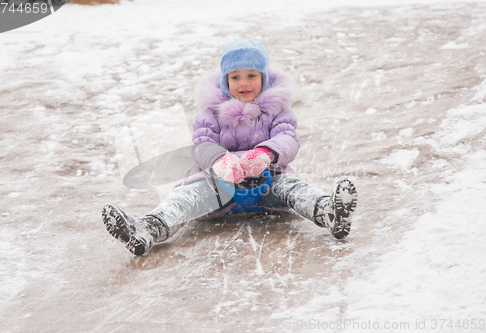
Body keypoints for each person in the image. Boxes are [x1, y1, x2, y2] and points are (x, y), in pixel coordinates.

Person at [102, 39, 358, 256]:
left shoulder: (278, 108)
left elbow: (288, 138)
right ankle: (147, 229)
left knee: (295, 188)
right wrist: (220, 161)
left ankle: (327, 212)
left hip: (268, 180)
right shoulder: (209, 111)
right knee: (185, 199)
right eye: (235, 77)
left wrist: (265, 154)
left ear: (264, 78)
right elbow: (202, 143)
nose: (243, 83)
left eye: (251, 76)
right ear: (225, 80)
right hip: (218, 184)